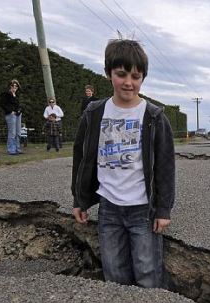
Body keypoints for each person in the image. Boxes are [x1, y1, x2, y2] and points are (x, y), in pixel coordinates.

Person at [71, 39, 175, 289]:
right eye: (121, 74)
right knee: (114, 272)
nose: (128, 82)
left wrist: (163, 209)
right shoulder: (94, 113)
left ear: (142, 78)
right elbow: (81, 158)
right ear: (108, 74)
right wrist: (79, 199)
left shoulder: (153, 117)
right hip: (109, 208)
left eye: (135, 76)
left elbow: (165, 166)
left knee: (147, 272)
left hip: (143, 210)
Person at [0, 79, 22, 155]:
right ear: (10, 86)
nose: (14, 87)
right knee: (12, 132)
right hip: (11, 115)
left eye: (16, 86)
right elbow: (2, 104)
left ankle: (17, 149)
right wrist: (10, 111)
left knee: (18, 132)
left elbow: (18, 105)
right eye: (13, 85)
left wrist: (19, 111)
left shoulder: (17, 95)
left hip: (18, 115)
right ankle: (11, 150)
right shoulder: (6, 94)